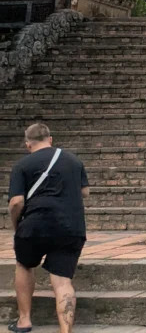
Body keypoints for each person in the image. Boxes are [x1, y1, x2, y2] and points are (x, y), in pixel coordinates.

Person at [7, 123, 89, 333]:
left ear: (28, 144)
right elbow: (85, 192)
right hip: (70, 225)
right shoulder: (73, 160)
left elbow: (16, 202)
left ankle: (24, 320)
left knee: (24, 265)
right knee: (62, 280)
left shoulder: (22, 165)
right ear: (50, 139)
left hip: (35, 223)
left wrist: (18, 226)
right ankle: (65, 330)